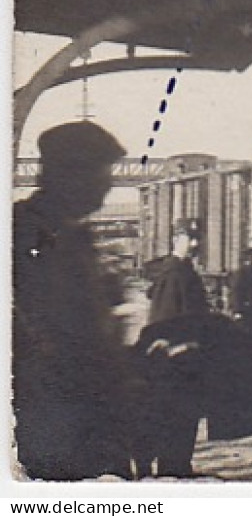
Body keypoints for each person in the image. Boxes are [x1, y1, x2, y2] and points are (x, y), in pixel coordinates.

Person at [13, 121, 136, 480]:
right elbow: (45, 330)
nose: (109, 185)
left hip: (88, 413)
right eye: (102, 173)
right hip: (60, 418)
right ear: (69, 174)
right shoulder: (27, 231)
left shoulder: (69, 231)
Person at [136, 218, 212, 478]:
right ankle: (174, 466)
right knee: (177, 412)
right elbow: (164, 320)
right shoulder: (174, 274)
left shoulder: (183, 270)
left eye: (196, 238)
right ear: (176, 239)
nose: (195, 244)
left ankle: (178, 464)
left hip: (188, 355)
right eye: (190, 238)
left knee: (186, 412)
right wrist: (177, 345)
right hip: (177, 358)